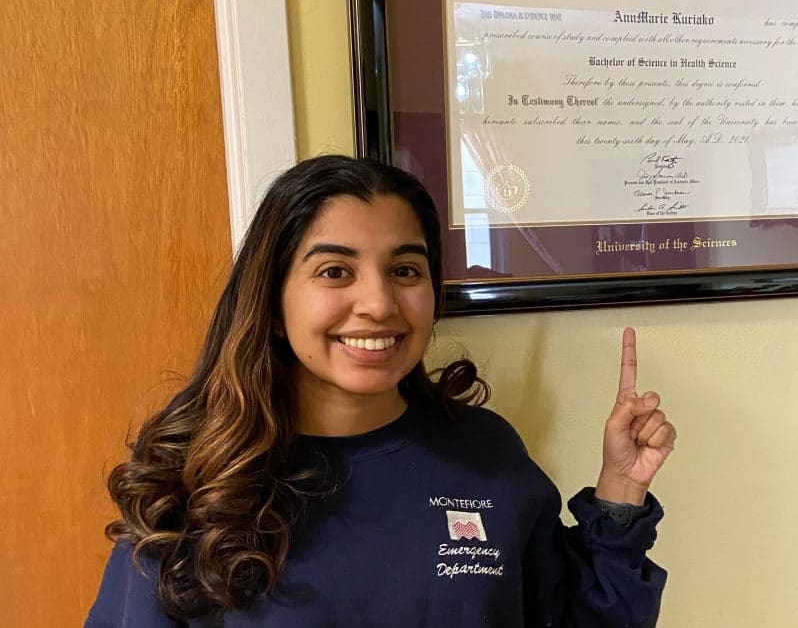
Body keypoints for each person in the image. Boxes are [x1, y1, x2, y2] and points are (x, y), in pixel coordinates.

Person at [85, 155, 675, 626]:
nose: (378, 304)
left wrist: (620, 492)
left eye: (405, 270)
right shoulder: (197, 481)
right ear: (270, 302)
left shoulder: (484, 453)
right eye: (335, 271)